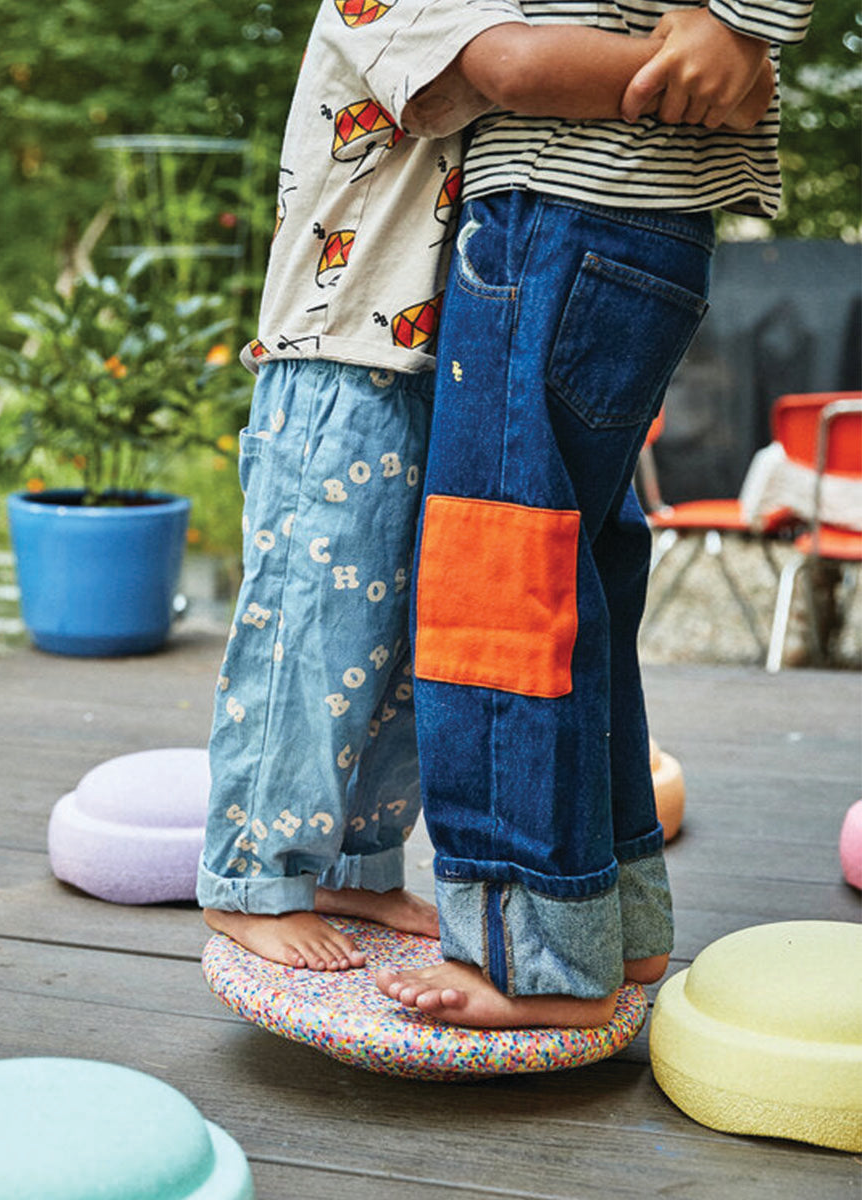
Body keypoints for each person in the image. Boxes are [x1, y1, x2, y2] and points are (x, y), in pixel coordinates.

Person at [196, 0, 774, 975]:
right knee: (312, 626)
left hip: (442, 363)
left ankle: (358, 862)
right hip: (341, 364)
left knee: (408, 653)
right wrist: (707, 66)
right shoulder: (387, 4)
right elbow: (510, 68)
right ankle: (249, 875)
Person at [376, 0, 813, 1026]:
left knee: (495, 586)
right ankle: (607, 924)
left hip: (556, 217)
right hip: (629, 229)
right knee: (573, 579)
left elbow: (506, 69)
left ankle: (529, 959)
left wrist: (746, 30)